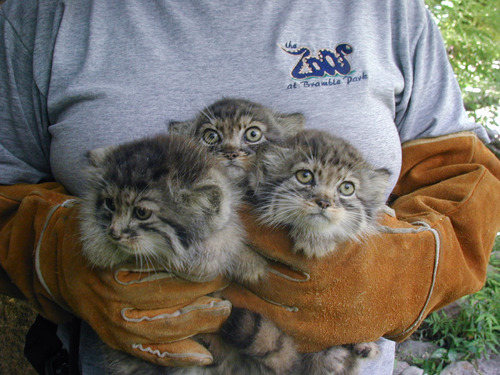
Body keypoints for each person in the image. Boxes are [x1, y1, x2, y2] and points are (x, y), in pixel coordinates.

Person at [1, 0, 499, 374]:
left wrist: (407, 276)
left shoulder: (390, 11)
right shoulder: (44, 14)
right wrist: (56, 256)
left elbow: (462, 176)